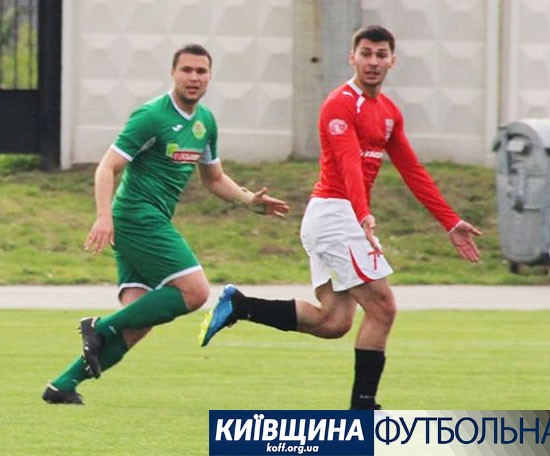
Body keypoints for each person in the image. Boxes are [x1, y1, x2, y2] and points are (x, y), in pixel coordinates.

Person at [198, 25, 482, 410]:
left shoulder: (388, 112)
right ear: (352, 57)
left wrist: (450, 221)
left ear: (392, 61)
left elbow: (412, 170)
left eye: (381, 54)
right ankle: (363, 409)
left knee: (332, 323)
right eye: (366, 53)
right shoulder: (340, 103)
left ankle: (239, 305)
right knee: (383, 308)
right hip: (336, 214)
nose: (373, 61)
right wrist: (363, 214)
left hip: (340, 217)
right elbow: (348, 164)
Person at [42, 43, 289, 405]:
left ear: (210, 76)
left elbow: (214, 178)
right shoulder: (152, 116)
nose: (193, 77)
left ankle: (63, 385)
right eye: (186, 70)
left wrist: (248, 200)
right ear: (172, 73)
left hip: (147, 219)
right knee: (196, 292)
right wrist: (103, 216)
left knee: (138, 321)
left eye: (201, 71)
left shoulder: (205, 123)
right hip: (137, 217)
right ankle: (99, 326)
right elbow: (107, 167)